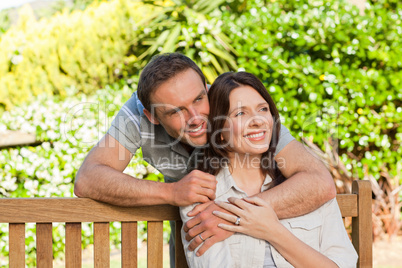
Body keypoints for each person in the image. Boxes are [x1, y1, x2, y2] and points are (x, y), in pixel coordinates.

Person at [74, 53, 336, 266]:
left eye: (199, 99)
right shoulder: (137, 114)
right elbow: (88, 179)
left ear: (208, 88)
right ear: (152, 115)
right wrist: (172, 191)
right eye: (176, 111)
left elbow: (319, 182)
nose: (196, 117)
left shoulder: (234, 104)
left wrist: (230, 216)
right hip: (196, 233)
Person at [180, 71, 357, 267]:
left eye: (263, 109)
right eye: (240, 113)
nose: (257, 120)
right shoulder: (203, 197)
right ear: (219, 132)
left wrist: (272, 230)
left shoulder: (308, 186)